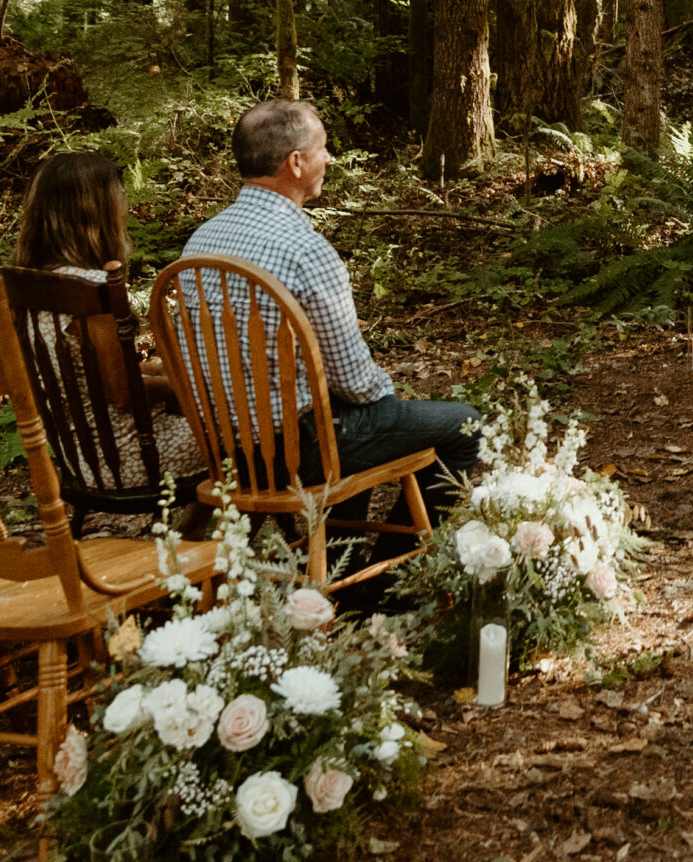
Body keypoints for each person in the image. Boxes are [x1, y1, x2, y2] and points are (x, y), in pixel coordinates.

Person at [182, 100, 482, 561]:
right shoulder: (305, 249)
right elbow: (355, 382)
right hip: (299, 451)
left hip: (231, 450)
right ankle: (387, 577)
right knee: (464, 423)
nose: (330, 159)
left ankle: (341, 558)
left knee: (342, 414)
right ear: (296, 163)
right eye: (323, 149)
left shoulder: (200, 241)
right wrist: (388, 398)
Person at [13, 150, 204, 488]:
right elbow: (122, 394)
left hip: (79, 458)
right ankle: (231, 532)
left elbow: (90, 378)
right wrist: (186, 387)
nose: (125, 202)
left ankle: (191, 530)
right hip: (127, 459)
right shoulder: (91, 291)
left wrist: (158, 370)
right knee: (247, 425)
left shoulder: (32, 283)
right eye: (120, 192)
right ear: (96, 210)